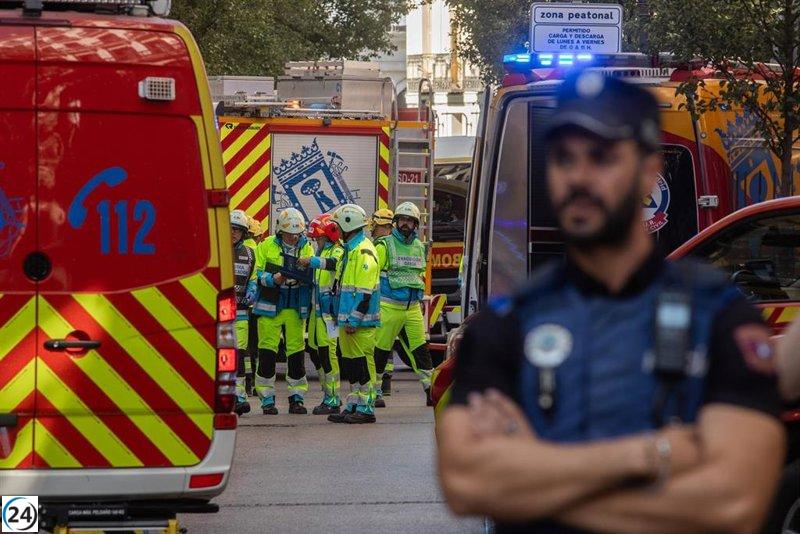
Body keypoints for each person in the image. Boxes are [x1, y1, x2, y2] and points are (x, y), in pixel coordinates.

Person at [436, 71, 786, 533]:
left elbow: (734, 501)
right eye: (564, 159)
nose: (579, 177)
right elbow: (465, 482)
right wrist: (653, 454)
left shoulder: (717, 315)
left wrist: (532, 477)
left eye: (602, 157)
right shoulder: (505, 325)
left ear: (648, 170)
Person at [253, 208, 314, 415]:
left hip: (295, 305)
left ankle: (296, 398)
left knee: (296, 354)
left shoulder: (307, 247)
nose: (294, 237)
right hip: (270, 305)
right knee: (267, 353)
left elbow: (313, 275)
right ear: (280, 231)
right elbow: (258, 274)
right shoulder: (266, 246)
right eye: (289, 234)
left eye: (297, 234)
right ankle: (266, 399)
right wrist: (274, 279)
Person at [373, 202, 434, 407]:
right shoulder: (384, 245)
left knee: (420, 350)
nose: (406, 224)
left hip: (412, 308)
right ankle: (375, 392)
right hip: (389, 306)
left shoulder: (419, 246)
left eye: (410, 221)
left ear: (415, 224)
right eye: (402, 220)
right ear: (395, 222)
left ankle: (431, 390)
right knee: (380, 351)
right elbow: (372, 275)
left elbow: (419, 274)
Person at [327, 204, 381, 424]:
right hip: (348, 320)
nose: (336, 231)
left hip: (360, 322)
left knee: (360, 363)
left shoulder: (364, 251)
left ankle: (367, 408)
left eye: (338, 227)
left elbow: (365, 292)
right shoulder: (350, 249)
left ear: (348, 226)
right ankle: (353, 404)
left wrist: (354, 319)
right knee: (350, 364)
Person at [299, 213, 346, 415]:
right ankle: (327, 393)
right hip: (317, 314)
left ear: (328, 236)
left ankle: (333, 398)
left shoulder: (338, 251)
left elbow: (333, 264)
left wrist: (311, 261)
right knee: (315, 351)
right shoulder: (325, 249)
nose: (316, 242)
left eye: (318, 238)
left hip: (329, 314)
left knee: (328, 355)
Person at [230, 210, 258, 415]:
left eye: (237, 230)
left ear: (244, 233)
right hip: (218, 314)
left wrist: (253, 290)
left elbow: (254, 279)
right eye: (230, 229)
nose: (232, 233)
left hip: (241, 312)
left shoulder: (250, 254)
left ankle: (239, 396)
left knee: (239, 355)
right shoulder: (216, 250)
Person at [370, 208, 396, 396]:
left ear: (386, 227)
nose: (373, 229)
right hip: (397, 302)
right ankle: (385, 382)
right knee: (387, 345)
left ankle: (379, 385)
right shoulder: (396, 244)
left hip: (382, 300)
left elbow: (373, 273)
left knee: (379, 345)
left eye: (376, 226)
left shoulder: (381, 246)